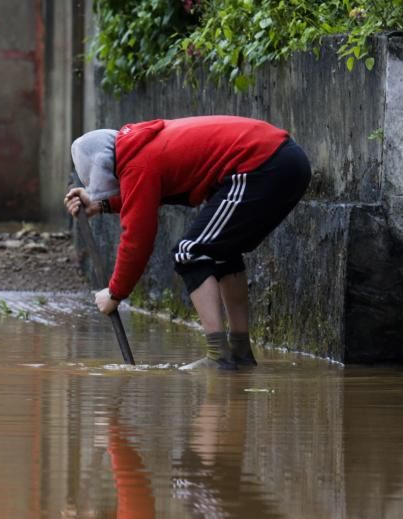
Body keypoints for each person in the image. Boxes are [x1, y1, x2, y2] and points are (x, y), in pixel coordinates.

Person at [64, 116, 311, 369]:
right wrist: (102, 204)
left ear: (102, 170)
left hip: (262, 165)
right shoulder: (140, 146)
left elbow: (137, 239)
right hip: (284, 161)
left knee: (189, 252)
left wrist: (115, 293)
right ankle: (240, 353)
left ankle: (218, 356)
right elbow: (142, 196)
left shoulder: (137, 164)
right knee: (223, 252)